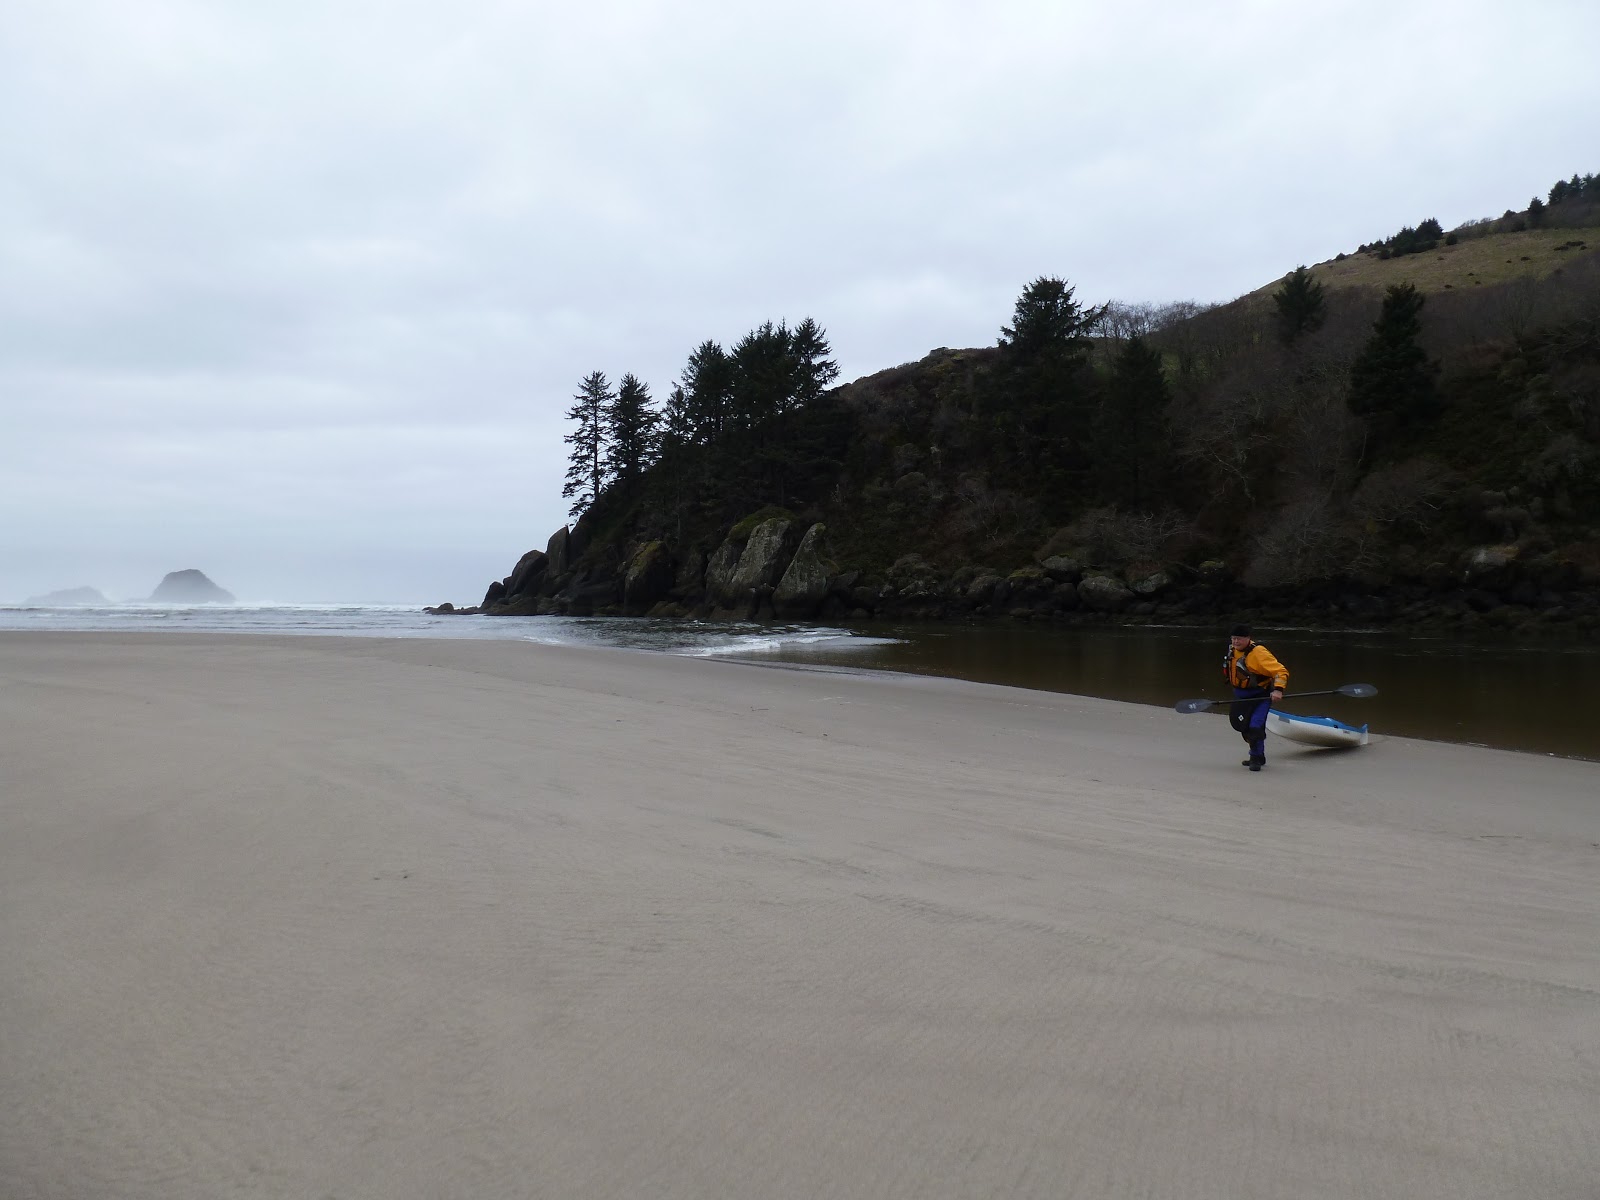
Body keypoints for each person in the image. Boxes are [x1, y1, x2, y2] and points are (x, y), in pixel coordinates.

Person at [1223, 624, 1288, 771]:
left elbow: (1280, 671)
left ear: (1248, 638)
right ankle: (1259, 755)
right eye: (1233, 639)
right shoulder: (1232, 650)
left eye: (1239, 639)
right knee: (1244, 728)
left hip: (1260, 697)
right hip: (1240, 696)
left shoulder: (1259, 653)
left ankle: (1255, 758)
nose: (1235, 642)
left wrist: (1278, 690)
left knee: (1255, 727)